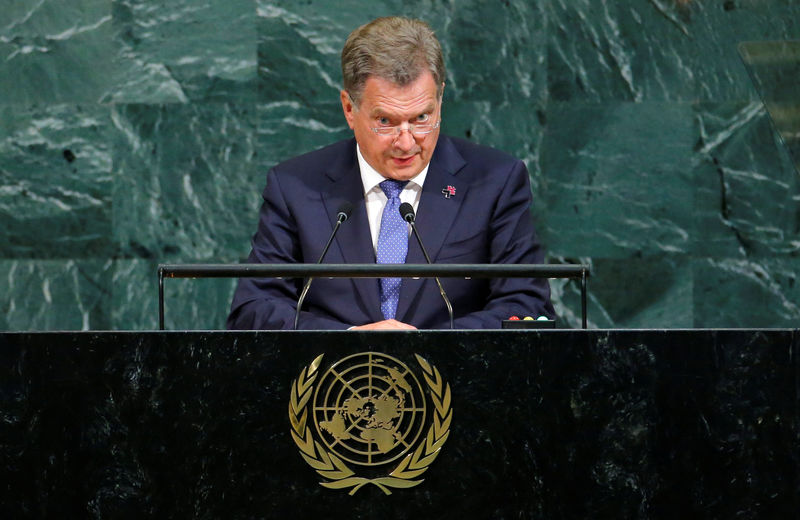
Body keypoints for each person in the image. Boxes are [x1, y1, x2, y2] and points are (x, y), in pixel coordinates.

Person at [226, 16, 554, 330]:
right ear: (349, 109)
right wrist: (351, 339)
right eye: (386, 121)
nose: (406, 142)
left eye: (422, 117)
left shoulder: (495, 182)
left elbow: (527, 307)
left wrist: (420, 346)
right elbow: (254, 309)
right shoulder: (296, 187)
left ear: (440, 99)